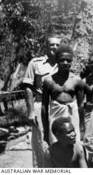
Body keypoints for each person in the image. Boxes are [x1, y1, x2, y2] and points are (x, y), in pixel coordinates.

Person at [23, 35, 61, 167]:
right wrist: (30, 112)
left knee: (59, 141)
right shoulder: (35, 63)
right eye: (52, 45)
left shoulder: (64, 63)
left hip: (58, 107)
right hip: (40, 107)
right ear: (46, 46)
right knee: (41, 143)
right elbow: (28, 88)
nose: (55, 48)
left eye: (57, 45)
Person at [41, 45, 85, 145]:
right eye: (62, 60)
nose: (65, 63)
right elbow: (44, 107)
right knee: (56, 146)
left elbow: (81, 105)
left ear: (71, 61)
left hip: (72, 118)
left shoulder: (77, 81)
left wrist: (82, 127)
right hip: (55, 117)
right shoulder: (48, 81)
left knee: (74, 146)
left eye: (68, 60)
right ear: (56, 60)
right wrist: (46, 130)